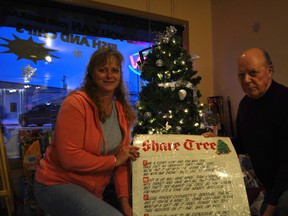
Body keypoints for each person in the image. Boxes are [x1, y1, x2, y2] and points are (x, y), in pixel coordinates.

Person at [34, 47, 140, 216]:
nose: (109, 75)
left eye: (115, 70)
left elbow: (122, 161)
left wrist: (125, 203)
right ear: (92, 73)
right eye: (102, 70)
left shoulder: (121, 110)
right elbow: (70, 158)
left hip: (92, 192)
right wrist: (113, 161)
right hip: (56, 184)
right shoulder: (76, 104)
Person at [204, 48, 288, 216]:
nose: (247, 80)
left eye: (253, 73)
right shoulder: (245, 105)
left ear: (270, 71)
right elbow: (243, 144)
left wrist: (271, 204)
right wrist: (219, 141)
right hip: (271, 186)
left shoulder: (284, 101)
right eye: (241, 75)